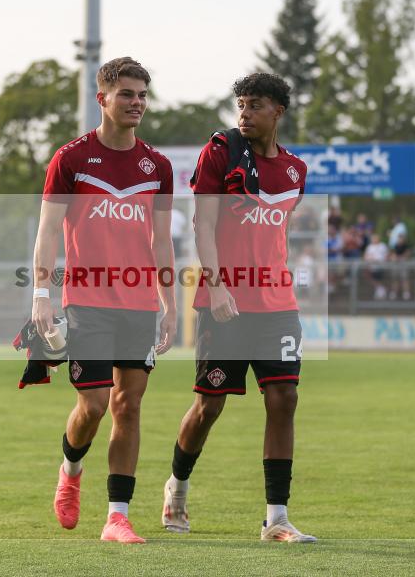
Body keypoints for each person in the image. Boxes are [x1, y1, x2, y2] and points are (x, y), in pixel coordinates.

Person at [161, 73, 316, 543]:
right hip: (221, 301)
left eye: (255, 106)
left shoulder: (295, 171)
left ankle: (277, 518)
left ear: (278, 113)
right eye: (241, 105)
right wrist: (218, 285)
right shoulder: (219, 153)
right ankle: (177, 488)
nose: (244, 113)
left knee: (283, 399)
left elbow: (276, 237)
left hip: (276, 303)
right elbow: (202, 226)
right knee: (210, 405)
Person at [33, 57, 176, 544]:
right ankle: (70, 471)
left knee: (128, 407)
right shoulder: (71, 159)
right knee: (93, 404)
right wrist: (40, 297)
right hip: (87, 301)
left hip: (139, 304)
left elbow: (162, 242)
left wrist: (170, 304)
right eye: (127, 95)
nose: (137, 103)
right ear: (103, 99)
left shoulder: (156, 165)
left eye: (142, 95)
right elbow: (48, 231)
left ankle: (117, 516)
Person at [363, 233, 389, 300]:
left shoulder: (382, 246)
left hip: (380, 266)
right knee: (369, 276)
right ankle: (380, 288)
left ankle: (380, 290)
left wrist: (382, 261)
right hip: (371, 266)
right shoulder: (370, 246)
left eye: (375, 238)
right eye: (373, 238)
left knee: (378, 278)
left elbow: (386, 255)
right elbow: (366, 256)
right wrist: (368, 260)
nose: (374, 240)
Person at [389, 233, 412, 301]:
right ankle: (394, 292)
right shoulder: (395, 246)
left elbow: (407, 254)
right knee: (395, 279)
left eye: (401, 238)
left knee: (405, 279)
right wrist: (394, 257)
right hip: (395, 264)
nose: (400, 240)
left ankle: (406, 292)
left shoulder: (406, 246)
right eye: (399, 238)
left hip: (403, 264)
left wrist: (401, 257)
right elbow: (392, 254)